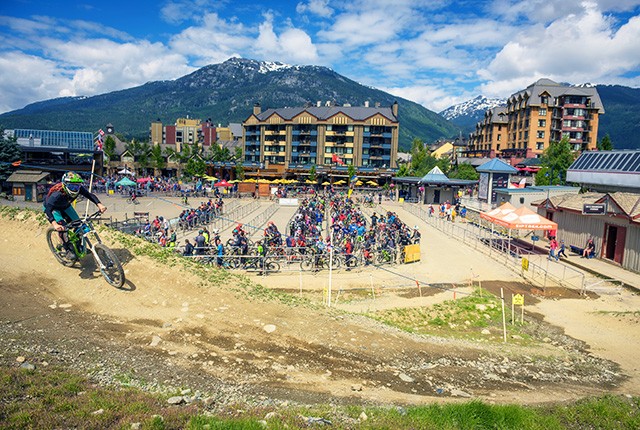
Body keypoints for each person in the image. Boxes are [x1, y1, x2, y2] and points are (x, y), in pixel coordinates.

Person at [43, 171, 107, 260]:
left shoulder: (79, 189)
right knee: (63, 228)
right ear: (65, 185)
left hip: (66, 206)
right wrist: (55, 224)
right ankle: (67, 249)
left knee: (79, 226)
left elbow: (89, 195)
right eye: (71, 186)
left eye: (77, 186)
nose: (74, 188)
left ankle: (78, 246)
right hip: (53, 209)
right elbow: (48, 210)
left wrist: (99, 204)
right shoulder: (56, 195)